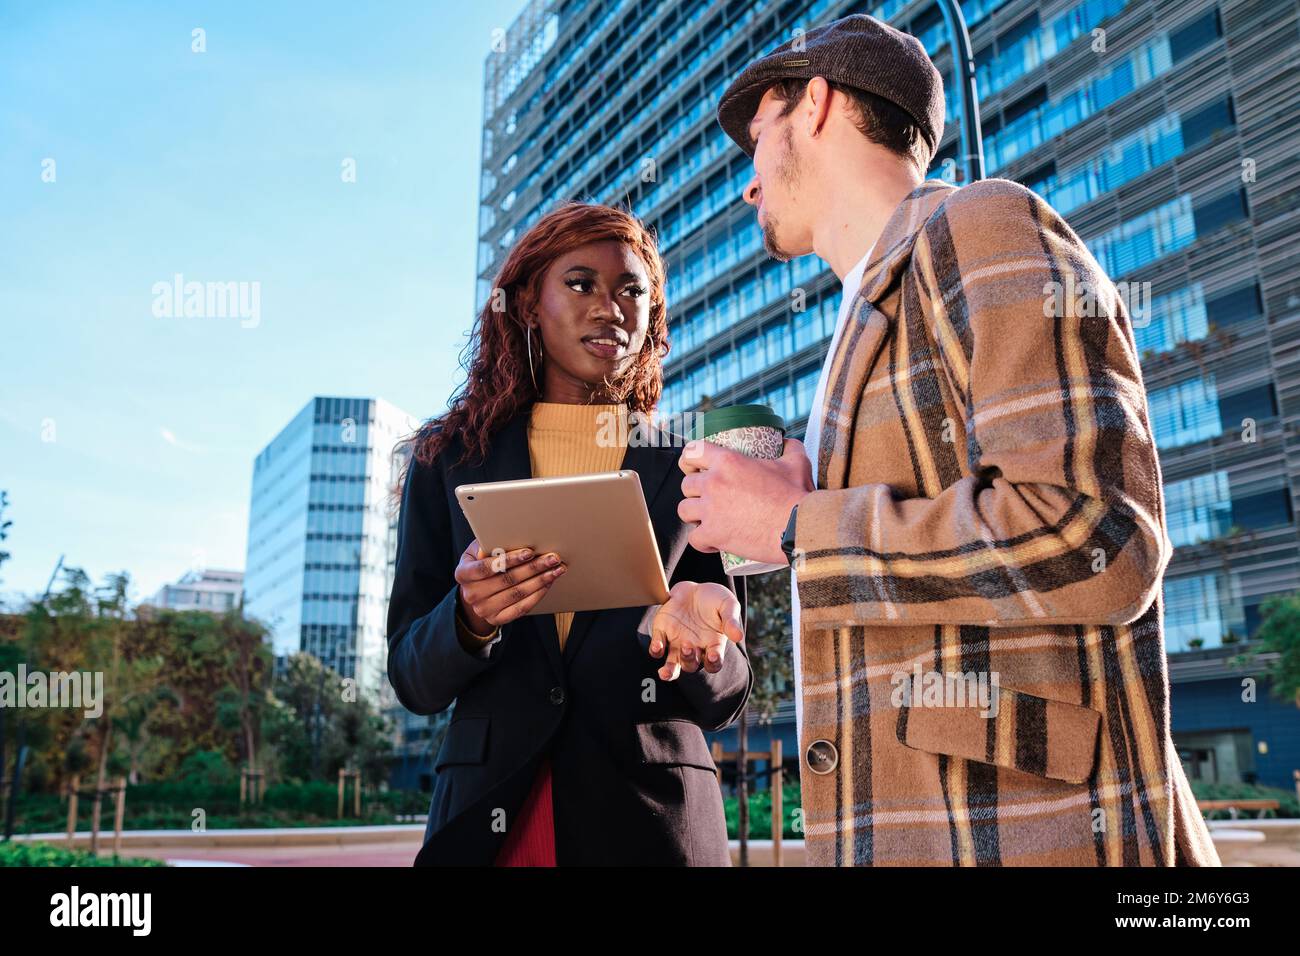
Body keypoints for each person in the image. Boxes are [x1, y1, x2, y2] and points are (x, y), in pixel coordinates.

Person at [672, 13, 1219, 866]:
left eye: (757, 138)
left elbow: (1097, 535)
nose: (748, 184)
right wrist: (782, 523)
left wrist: (798, 527)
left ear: (816, 104)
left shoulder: (982, 224)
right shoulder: (861, 324)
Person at [386, 201, 753, 866]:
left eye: (631, 290)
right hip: (494, 819)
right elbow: (412, 678)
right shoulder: (447, 460)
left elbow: (727, 696)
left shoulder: (690, 460)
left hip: (652, 823)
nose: (610, 307)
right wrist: (468, 618)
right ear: (527, 304)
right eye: (580, 284)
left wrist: (711, 650)